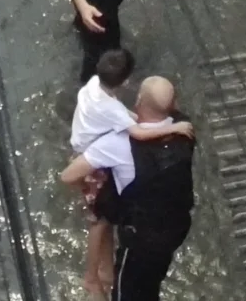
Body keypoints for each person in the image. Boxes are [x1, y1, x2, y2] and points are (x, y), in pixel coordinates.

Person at [62, 76, 195, 301]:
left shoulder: (117, 143)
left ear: (139, 99)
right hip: (176, 227)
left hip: (141, 239)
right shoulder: (185, 129)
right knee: (152, 279)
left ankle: (99, 280)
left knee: (128, 293)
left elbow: (68, 176)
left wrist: (89, 189)